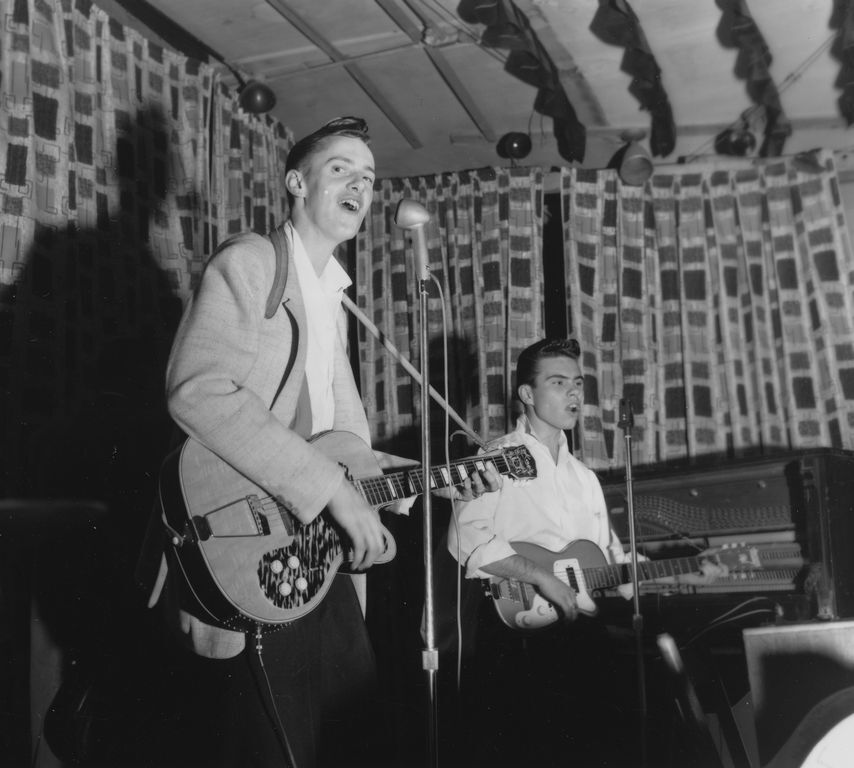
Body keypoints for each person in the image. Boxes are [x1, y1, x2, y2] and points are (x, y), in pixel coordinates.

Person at [136, 116, 500, 768]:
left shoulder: (333, 299)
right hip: (245, 549)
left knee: (349, 745)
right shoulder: (251, 263)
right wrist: (332, 488)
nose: (361, 184)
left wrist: (438, 480)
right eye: (341, 170)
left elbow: (342, 450)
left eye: (369, 177)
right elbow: (197, 391)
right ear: (297, 183)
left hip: (317, 561)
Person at [442, 337, 722, 768]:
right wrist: (541, 576)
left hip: (579, 635)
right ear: (527, 393)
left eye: (578, 383)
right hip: (516, 635)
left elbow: (613, 565)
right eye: (558, 383)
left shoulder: (585, 478)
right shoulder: (496, 457)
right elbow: (466, 538)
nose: (574, 393)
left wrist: (684, 572)